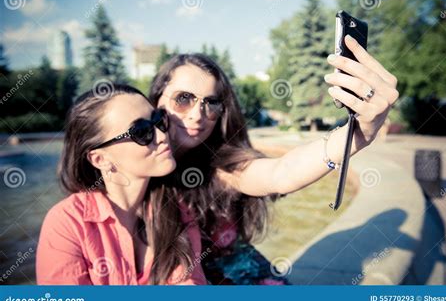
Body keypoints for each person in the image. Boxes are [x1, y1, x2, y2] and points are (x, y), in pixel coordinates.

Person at [150, 35, 399, 284]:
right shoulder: (129, 162)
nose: (197, 114)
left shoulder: (220, 166)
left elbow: (282, 172)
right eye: (183, 98)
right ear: (156, 98)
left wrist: (357, 134)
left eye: (211, 102)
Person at [36, 84, 207, 285]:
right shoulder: (67, 224)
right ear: (100, 159)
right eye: (141, 132)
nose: (162, 136)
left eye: (158, 120)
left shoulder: (178, 211)